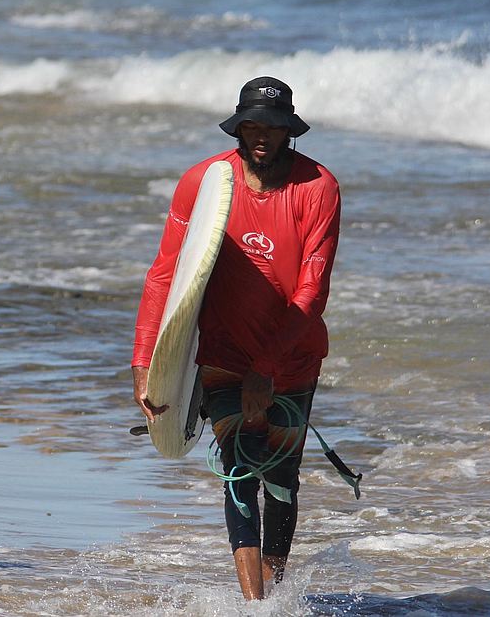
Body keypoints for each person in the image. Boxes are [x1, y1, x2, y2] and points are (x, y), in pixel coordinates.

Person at [131, 77, 341, 600]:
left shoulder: (317, 187)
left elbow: (311, 293)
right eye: (251, 125)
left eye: (272, 126)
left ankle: (276, 587)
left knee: (282, 477)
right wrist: (146, 360)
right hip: (223, 352)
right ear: (239, 127)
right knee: (239, 470)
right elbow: (167, 274)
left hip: (291, 356)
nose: (261, 136)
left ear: (289, 129)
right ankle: (256, 607)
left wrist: (266, 368)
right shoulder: (205, 183)